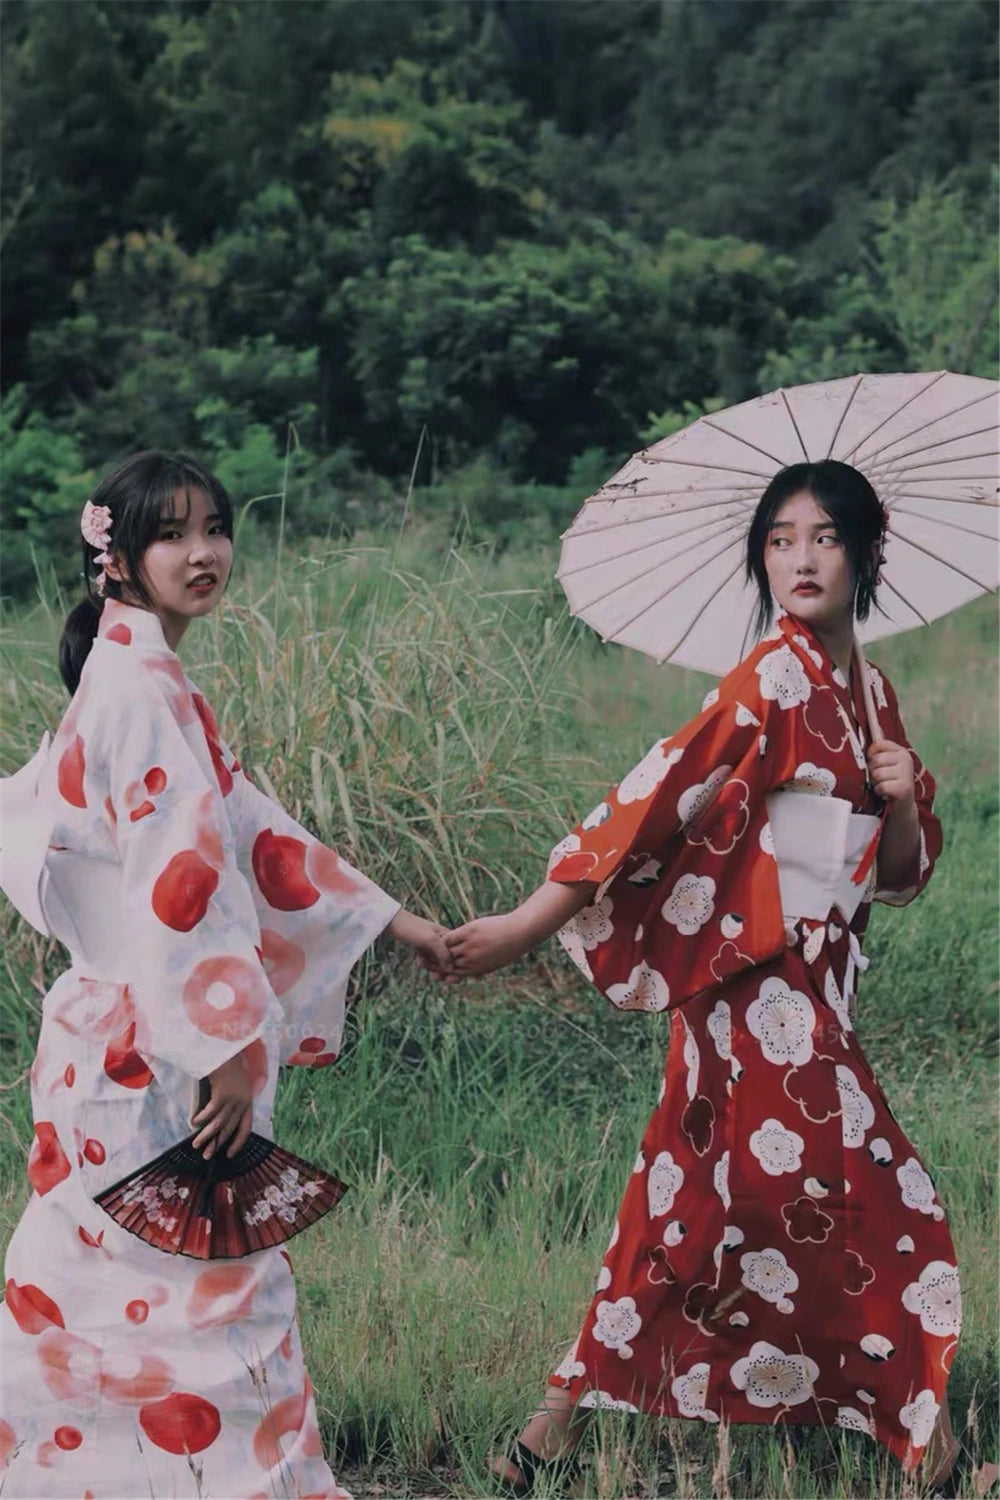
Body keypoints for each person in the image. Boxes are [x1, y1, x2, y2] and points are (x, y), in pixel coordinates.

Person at [445, 462, 967, 1494]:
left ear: (865, 551)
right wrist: (523, 924)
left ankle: (550, 1426)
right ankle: (928, 1450)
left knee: (687, 1200)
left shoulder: (871, 694)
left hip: (819, 986)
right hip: (758, 994)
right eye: (778, 539)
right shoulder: (770, 680)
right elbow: (656, 797)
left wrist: (901, 797)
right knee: (885, 1200)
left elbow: (900, 875)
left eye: (822, 537)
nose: (799, 558)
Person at [0, 451, 453, 1497]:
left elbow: (248, 834)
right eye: (174, 535)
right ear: (119, 560)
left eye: (215, 527)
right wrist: (225, 1054)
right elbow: (180, 887)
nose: (203, 553)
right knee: (212, 1288)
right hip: (154, 1045)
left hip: (110, 1039)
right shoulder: (141, 686)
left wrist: (403, 924)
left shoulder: (143, 675)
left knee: (109, 1286)